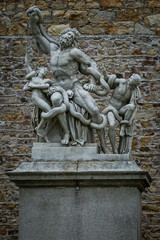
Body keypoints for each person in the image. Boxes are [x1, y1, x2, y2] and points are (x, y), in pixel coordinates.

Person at [26, 6, 110, 152]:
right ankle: (65, 133)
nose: (66, 38)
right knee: (56, 100)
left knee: (95, 110)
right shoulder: (53, 49)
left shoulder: (74, 52)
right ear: (61, 36)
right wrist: (33, 18)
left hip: (74, 87)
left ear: (73, 41)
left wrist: (91, 83)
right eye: (65, 36)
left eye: (70, 37)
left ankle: (103, 145)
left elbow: (91, 64)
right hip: (57, 87)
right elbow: (37, 34)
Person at [102, 73, 141, 154]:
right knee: (112, 125)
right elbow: (108, 79)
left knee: (131, 106)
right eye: (130, 78)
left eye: (131, 79)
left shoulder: (133, 92)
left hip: (121, 110)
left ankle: (123, 126)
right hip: (111, 107)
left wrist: (129, 120)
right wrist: (105, 72)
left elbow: (134, 108)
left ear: (134, 83)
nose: (129, 79)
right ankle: (114, 149)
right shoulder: (122, 82)